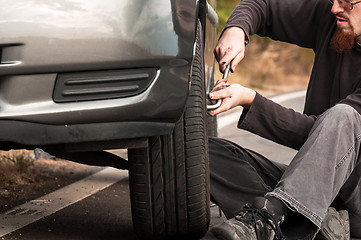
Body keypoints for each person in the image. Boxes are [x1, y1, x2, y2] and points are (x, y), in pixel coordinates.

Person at [207, 0, 361, 239]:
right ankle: (311, 219)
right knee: (202, 153)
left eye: (345, 2)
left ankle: (270, 218)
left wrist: (250, 100)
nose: (334, 8)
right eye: (333, 0)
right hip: (312, 184)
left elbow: (319, 134)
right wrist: (236, 30)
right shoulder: (334, 21)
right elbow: (263, 5)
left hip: (356, 195)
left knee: (343, 116)